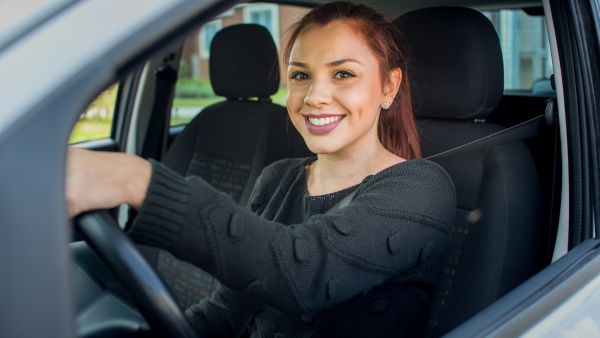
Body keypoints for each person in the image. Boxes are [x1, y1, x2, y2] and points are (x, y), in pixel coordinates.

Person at [66, 2, 456, 337]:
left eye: (343, 74)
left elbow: (302, 272)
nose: (314, 97)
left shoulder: (421, 188)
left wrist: (136, 180)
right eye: (301, 75)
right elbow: (227, 310)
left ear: (388, 87)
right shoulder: (279, 178)